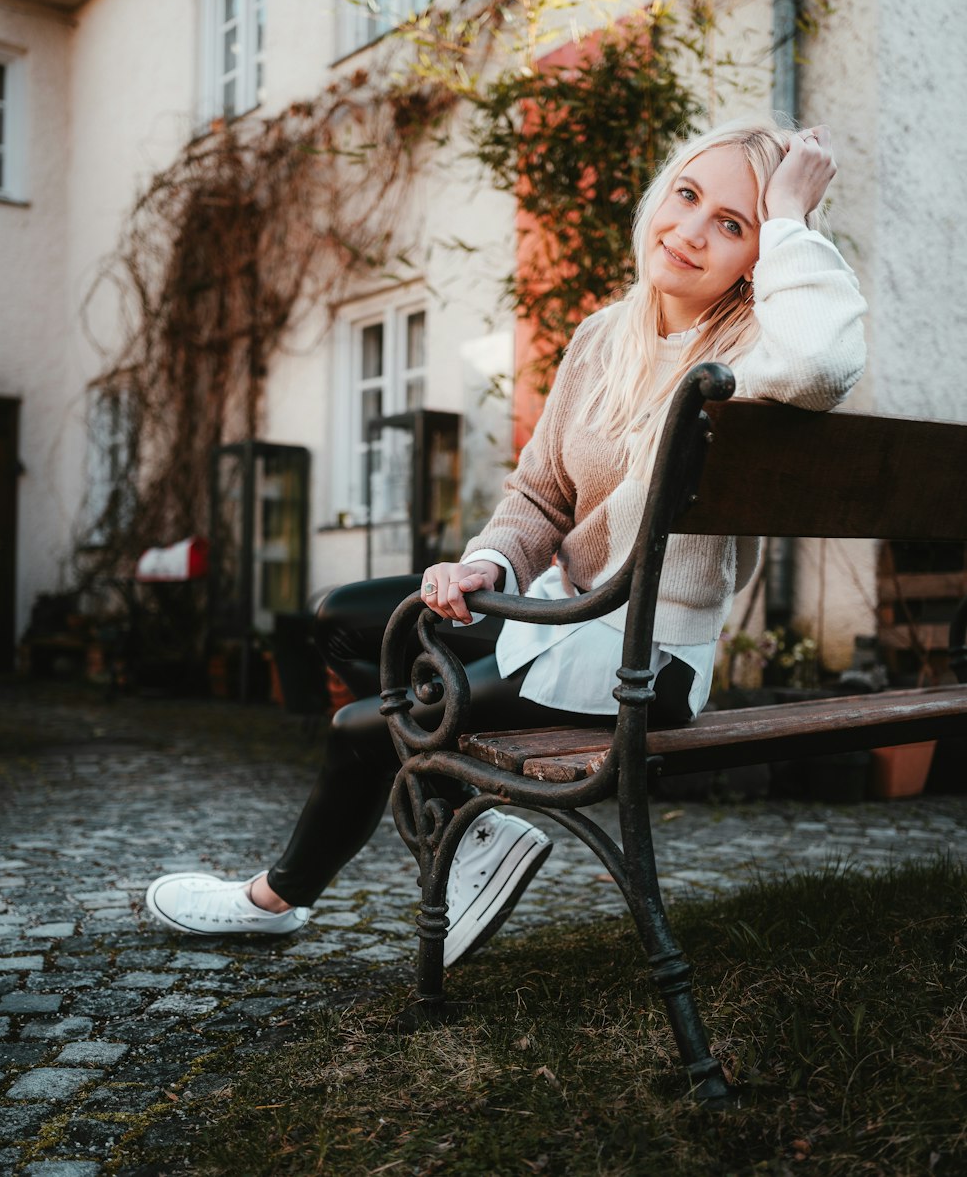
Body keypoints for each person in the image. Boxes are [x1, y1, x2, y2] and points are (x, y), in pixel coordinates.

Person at [145, 117, 867, 963]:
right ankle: (472, 829)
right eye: (687, 195)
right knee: (347, 617)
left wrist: (790, 216)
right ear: (661, 192)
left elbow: (824, 358)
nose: (692, 231)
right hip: (566, 613)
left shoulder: (753, 353)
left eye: (734, 225)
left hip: (643, 658)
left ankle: (276, 898)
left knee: (361, 728)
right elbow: (541, 493)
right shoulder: (605, 336)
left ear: (758, 257)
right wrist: (487, 561)